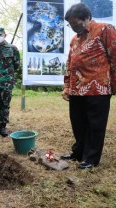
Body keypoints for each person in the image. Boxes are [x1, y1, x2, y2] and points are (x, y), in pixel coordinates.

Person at [60, 3, 116, 169]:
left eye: (76, 23)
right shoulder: (74, 39)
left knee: (95, 125)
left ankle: (91, 159)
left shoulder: (105, 29)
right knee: (78, 122)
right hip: (77, 89)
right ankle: (78, 153)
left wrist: (113, 85)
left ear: (87, 18)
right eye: (70, 24)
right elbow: (70, 63)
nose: (73, 27)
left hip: (97, 88)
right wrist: (67, 86)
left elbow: (114, 58)